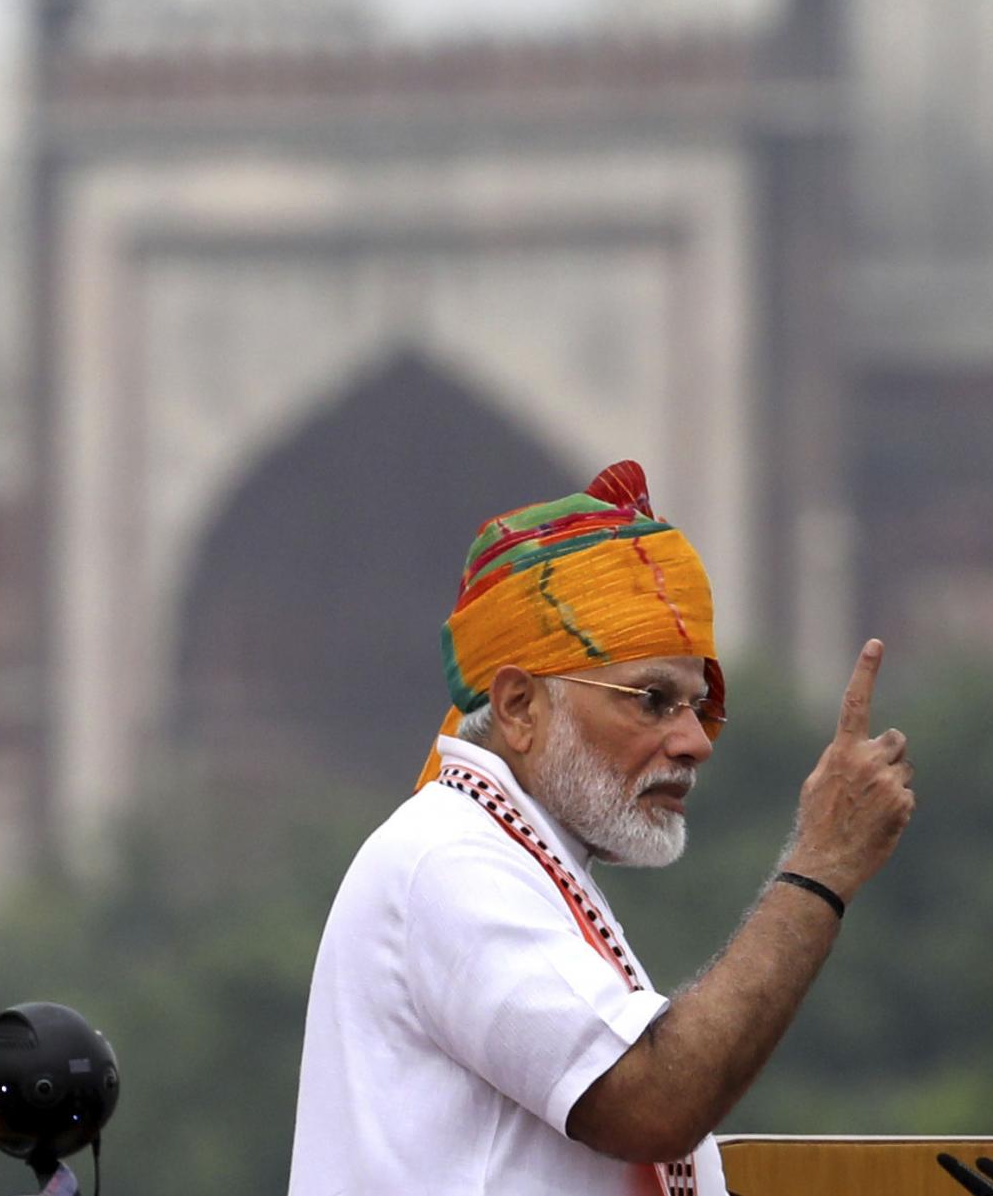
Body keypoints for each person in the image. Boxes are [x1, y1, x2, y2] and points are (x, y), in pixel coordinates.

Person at [287, 459, 917, 1195]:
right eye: (653, 699)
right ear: (520, 706)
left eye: (699, 706)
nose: (695, 741)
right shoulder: (450, 859)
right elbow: (653, 1103)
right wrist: (821, 865)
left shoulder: (511, 857)